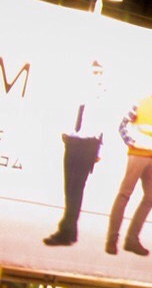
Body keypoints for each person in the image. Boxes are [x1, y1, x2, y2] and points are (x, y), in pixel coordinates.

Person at [105, 79, 152, 257]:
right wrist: (131, 141)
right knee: (125, 193)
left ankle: (131, 240)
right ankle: (112, 240)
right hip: (138, 153)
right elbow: (122, 125)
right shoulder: (140, 102)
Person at [42, 58, 108, 248]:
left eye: (100, 73)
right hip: (72, 143)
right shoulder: (79, 93)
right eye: (95, 73)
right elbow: (67, 113)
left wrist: (99, 149)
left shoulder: (102, 97)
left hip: (87, 145)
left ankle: (65, 231)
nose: (98, 77)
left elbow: (104, 126)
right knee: (68, 188)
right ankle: (71, 232)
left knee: (75, 189)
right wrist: (65, 134)